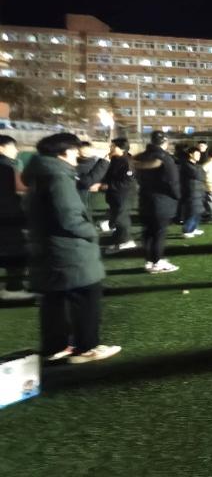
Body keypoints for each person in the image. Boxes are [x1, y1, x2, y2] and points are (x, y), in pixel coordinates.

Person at [23, 132, 121, 363]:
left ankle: (55, 347)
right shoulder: (58, 176)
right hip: (69, 250)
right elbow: (68, 217)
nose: (77, 155)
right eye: (75, 151)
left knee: (53, 300)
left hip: (49, 248)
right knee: (86, 297)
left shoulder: (39, 174)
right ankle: (87, 347)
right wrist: (90, 232)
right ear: (64, 152)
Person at [133, 131, 180, 274]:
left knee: (148, 231)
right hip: (162, 201)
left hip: (144, 199)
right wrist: (178, 196)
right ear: (165, 142)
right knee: (159, 233)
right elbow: (172, 182)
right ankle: (157, 261)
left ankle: (149, 260)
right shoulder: (165, 158)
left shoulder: (140, 157)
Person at [0, 135, 34, 301]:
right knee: (16, 251)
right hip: (8, 217)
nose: (16, 150)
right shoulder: (6, 166)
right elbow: (20, 186)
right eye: (12, 146)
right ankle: (13, 288)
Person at [101, 138, 137, 253]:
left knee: (121, 219)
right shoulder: (115, 159)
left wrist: (108, 186)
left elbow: (127, 182)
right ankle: (118, 240)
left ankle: (126, 241)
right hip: (115, 195)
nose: (110, 148)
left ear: (121, 148)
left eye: (113, 146)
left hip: (124, 195)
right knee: (116, 218)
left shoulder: (127, 162)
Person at [76, 141, 110, 219]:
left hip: (101, 206)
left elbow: (116, 182)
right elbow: (84, 182)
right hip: (82, 207)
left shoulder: (101, 163)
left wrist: (102, 186)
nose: (86, 152)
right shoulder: (73, 165)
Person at [179, 147, 206, 238]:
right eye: (197, 154)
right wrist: (201, 170)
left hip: (199, 192)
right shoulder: (186, 165)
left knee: (198, 211)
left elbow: (202, 175)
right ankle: (187, 231)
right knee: (191, 211)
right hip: (191, 192)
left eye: (199, 154)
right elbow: (198, 175)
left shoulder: (196, 165)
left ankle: (194, 228)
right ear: (190, 154)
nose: (199, 156)